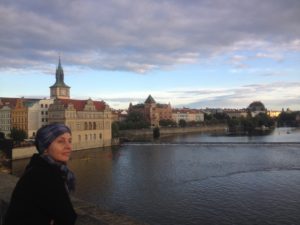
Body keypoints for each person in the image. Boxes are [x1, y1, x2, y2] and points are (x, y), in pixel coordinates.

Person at [4, 123, 77, 225]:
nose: (69, 146)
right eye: (61, 141)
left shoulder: (36, 167)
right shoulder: (46, 176)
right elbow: (68, 217)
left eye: (70, 141)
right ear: (45, 148)